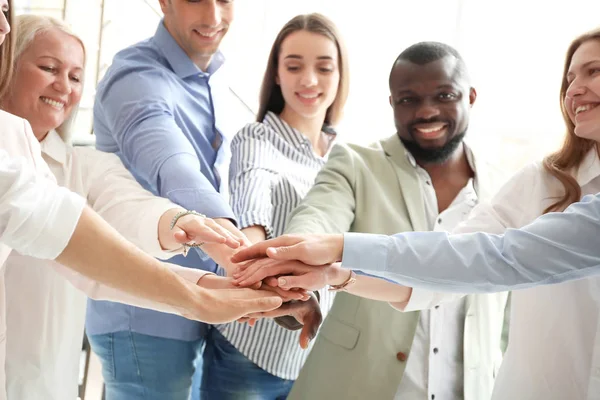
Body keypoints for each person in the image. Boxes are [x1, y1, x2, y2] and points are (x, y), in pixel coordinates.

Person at [232, 26, 600, 400]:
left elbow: (494, 265)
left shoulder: (500, 180)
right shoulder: (537, 183)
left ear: (470, 97)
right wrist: (311, 270)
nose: (427, 111)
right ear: (392, 103)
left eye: (444, 95)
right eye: (570, 77)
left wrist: (338, 252)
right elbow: (323, 216)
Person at [0, 14, 280, 400]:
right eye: (49, 68)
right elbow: (168, 161)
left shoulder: (84, 167)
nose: (63, 86)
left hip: (44, 383)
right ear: (7, 63)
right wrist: (203, 291)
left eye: (76, 77)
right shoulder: (136, 75)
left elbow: (129, 210)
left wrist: (184, 224)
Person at [88, 0, 265, 398]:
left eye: (224, 0)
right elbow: (173, 166)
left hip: (201, 304)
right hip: (144, 312)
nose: (214, 17)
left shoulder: (215, 76)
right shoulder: (135, 76)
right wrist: (241, 254)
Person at [199, 13, 348, 399]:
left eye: (323, 67)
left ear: (339, 77)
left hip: (314, 358)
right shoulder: (258, 138)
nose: (309, 80)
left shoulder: (344, 157)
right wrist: (251, 246)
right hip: (248, 351)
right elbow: (252, 195)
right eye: (294, 66)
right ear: (277, 75)